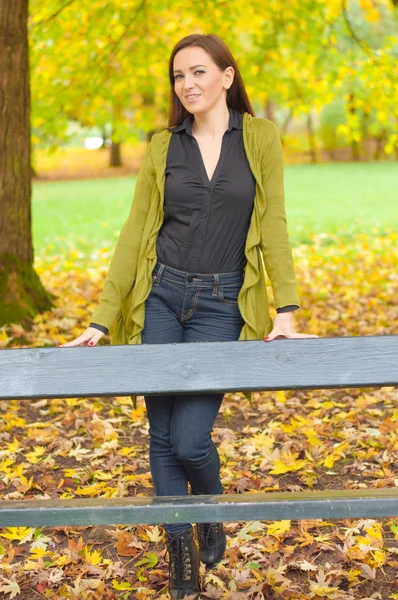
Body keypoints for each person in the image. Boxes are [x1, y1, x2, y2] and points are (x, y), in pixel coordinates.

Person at [61, 33, 317, 600]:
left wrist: (289, 306)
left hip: (223, 304)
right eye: (179, 76)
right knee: (160, 436)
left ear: (227, 76)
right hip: (161, 299)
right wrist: (103, 320)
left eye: (199, 72)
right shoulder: (161, 147)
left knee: (191, 440)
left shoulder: (259, 139)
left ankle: (209, 509)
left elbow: (273, 224)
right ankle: (181, 558)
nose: (188, 84)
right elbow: (134, 234)